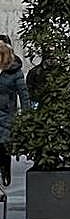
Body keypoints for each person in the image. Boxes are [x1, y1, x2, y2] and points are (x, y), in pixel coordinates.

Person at [0, 40, 30, 187]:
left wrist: (27, 115)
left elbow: (23, 94)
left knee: (4, 145)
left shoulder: (14, 72)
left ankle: (5, 168)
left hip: (6, 114)